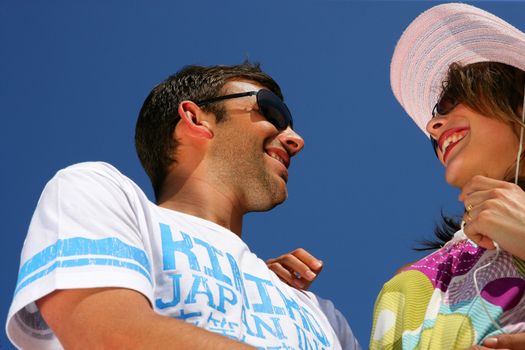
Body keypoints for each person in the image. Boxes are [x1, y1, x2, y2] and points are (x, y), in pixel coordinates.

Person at [5, 63, 361, 349]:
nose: (295, 139)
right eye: (272, 111)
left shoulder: (324, 315)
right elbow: (109, 335)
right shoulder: (95, 191)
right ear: (195, 118)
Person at [269, 3, 525, 350]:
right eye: (436, 116)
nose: (433, 127)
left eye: (453, 100)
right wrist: (278, 305)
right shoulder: (418, 272)